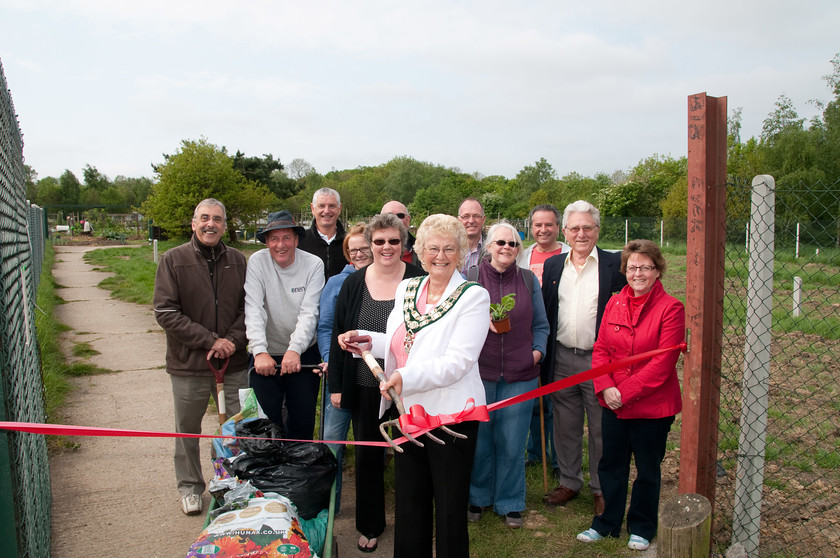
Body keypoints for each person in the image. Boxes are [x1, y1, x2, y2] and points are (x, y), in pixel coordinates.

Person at [336, 213, 490, 558]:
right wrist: (366, 340)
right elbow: (398, 343)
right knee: (410, 502)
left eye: (449, 248)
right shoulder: (408, 287)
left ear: (461, 253)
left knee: (450, 509)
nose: (440, 255)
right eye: (432, 248)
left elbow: (458, 362)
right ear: (419, 252)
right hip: (409, 414)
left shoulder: (473, 297)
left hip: (453, 417)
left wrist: (404, 378)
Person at [576, 239, 685, 552]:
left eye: (646, 267)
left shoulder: (671, 308)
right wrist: (605, 386)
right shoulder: (614, 302)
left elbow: (662, 363)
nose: (638, 273)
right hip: (612, 401)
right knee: (611, 464)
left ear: (657, 270)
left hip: (653, 406)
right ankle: (606, 524)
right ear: (624, 270)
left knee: (647, 469)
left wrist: (624, 392)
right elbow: (601, 349)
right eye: (633, 267)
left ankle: (641, 526)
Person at [328, 214, 425, 552]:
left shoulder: (419, 281)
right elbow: (339, 335)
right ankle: (370, 524)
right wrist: (337, 387)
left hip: (407, 388)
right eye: (379, 241)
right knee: (368, 459)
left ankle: (413, 525)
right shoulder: (353, 284)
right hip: (365, 386)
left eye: (394, 241)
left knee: (410, 458)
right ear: (369, 244)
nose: (386, 248)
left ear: (405, 244)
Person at [153, 198, 249, 516]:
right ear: (193, 223)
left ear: (224, 225)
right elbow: (166, 312)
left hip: (232, 363)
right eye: (204, 218)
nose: (211, 224)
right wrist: (210, 340)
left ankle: (229, 480)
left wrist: (231, 342)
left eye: (217, 219)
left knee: (234, 426)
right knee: (187, 428)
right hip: (189, 363)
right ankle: (190, 487)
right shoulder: (173, 260)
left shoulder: (237, 260)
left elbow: (248, 308)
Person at [541, 200, 627, 516]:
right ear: (565, 231)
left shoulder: (614, 266)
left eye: (587, 228)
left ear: (597, 231)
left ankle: (601, 488)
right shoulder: (553, 266)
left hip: (600, 361)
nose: (581, 234)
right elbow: (548, 312)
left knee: (602, 426)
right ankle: (569, 481)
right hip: (562, 357)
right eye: (574, 228)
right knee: (565, 423)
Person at [467, 222, 549, 529]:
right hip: (480, 374)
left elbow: (541, 324)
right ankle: (478, 496)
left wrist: (536, 354)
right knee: (481, 441)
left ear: (519, 249)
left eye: (513, 244)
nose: (506, 248)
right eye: (500, 242)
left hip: (521, 374)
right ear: (488, 246)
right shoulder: (471, 279)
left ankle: (510, 501)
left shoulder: (528, 280)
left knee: (513, 441)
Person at [245, 210, 325, 439]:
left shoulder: (313, 264)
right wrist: (259, 350)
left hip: (303, 353)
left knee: (302, 421)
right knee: (264, 424)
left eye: (286, 238)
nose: (281, 245)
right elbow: (253, 308)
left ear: (297, 240)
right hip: (266, 353)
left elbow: (309, 312)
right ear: (267, 242)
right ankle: (267, 472)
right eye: (274, 239)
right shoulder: (257, 262)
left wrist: (294, 350)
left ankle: (299, 471)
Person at [317, 222, 372, 515]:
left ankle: (368, 507)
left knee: (368, 446)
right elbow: (326, 326)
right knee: (332, 445)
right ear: (347, 253)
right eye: (354, 250)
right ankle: (330, 507)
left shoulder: (384, 281)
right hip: (340, 372)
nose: (360, 253)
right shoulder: (336, 283)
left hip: (372, 375)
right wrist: (329, 358)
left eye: (365, 247)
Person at [517, 204, 570, 478]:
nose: (543, 230)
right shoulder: (523, 257)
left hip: (559, 335)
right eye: (538, 225)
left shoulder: (569, 255)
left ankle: (560, 457)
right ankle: (536, 453)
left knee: (558, 400)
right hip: (530, 336)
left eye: (548, 224)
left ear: (558, 228)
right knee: (535, 399)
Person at [298, 187, 348, 280]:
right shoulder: (300, 241)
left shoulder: (350, 242)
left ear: (339, 208)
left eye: (332, 206)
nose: (326, 211)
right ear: (313, 208)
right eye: (321, 206)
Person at [381, 200, 420, 265]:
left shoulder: (421, 250)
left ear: (408, 220)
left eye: (400, 215)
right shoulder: (367, 250)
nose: (395, 219)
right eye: (388, 215)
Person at [458, 198, 486, 271]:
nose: (471, 221)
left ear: (483, 219)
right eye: (466, 216)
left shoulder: (493, 249)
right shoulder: (449, 248)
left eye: (476, 216)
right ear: (459, 220)